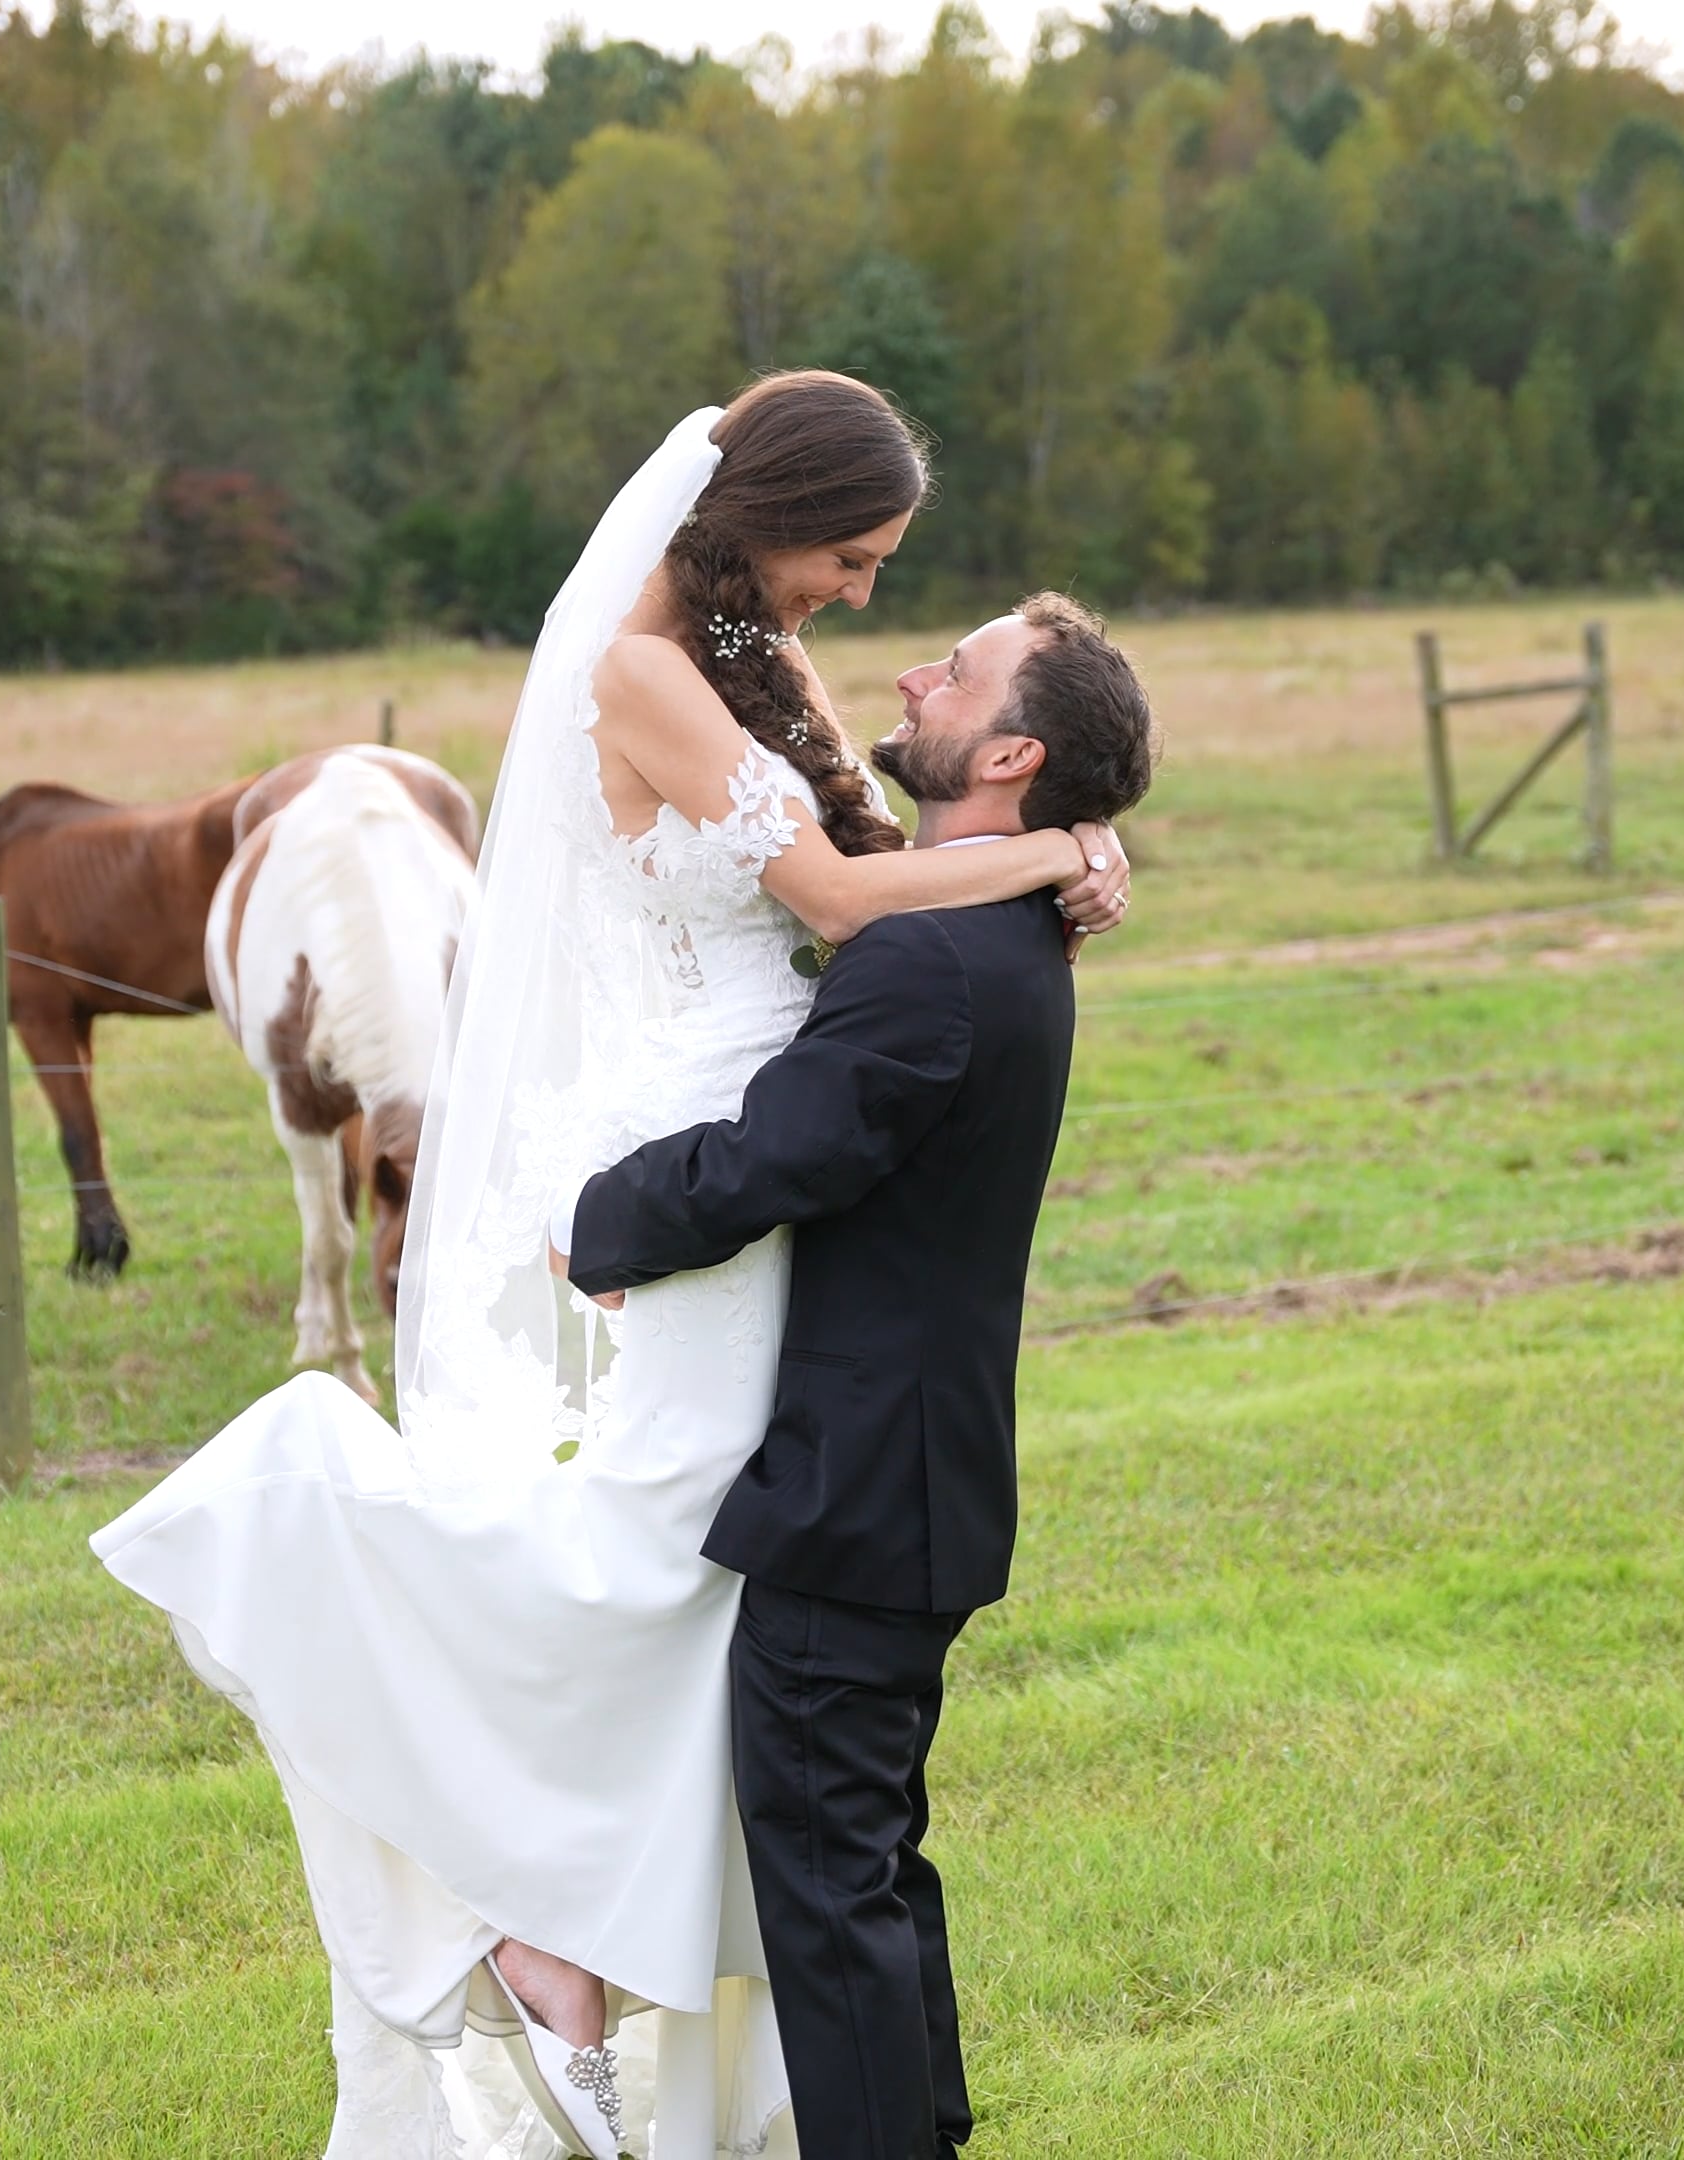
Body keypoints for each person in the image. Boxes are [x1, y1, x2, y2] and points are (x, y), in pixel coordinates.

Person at [90, 372, 1141, 2159]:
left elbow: (888, 858)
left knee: (712, 1576)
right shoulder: (645, 667)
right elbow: (827, 901)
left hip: (771, 1131)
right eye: (854, 556)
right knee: (662, 1539)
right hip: (699, 1144)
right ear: (777, 513)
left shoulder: (763, 665)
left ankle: (575, 1944)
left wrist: (1054, 852)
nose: (864, 604)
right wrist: (1049, 844)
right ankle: (502, 1860)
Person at [555, 587, 1159, 2159]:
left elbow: (784, 1152)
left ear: (1011, 752)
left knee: (831, 1886)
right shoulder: (984, 919)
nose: (914, 667)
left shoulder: (937, 958)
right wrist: (1077, 851)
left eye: (956, 672)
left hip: (861, 1489)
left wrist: (593, 1221)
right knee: (865, 1863)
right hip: (907, 1477)